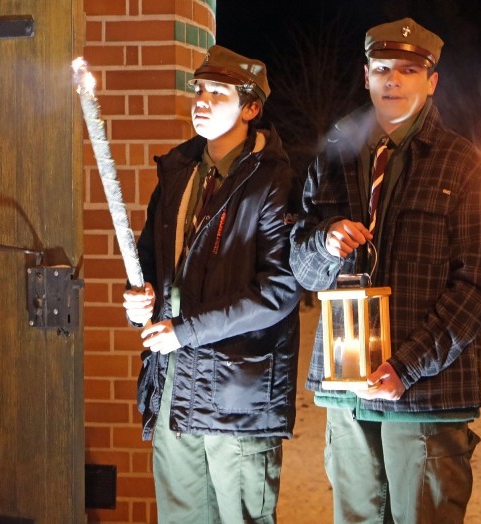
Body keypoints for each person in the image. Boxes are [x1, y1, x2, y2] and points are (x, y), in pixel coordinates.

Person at [289, 17, 481, 524]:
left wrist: (406, 365)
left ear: (431, 82)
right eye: (382, 68)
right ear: (365, 75)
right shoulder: (334, 158)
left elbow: (478, 283)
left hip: (426, 394)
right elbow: (302, 268)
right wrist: (324, 243)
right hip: (346, 391)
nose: (393, 80)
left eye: (408, 70)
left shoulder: (463, 163)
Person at [122, 45, 302, 523]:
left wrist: (185, 330)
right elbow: (149, 260)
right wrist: (141, 297)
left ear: (250, 108)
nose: (201, 100)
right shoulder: (178, 171)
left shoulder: (274, 182)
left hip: (236, 398)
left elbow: (278, 292)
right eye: (199, 89)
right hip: (174, 387)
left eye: (217, 93)